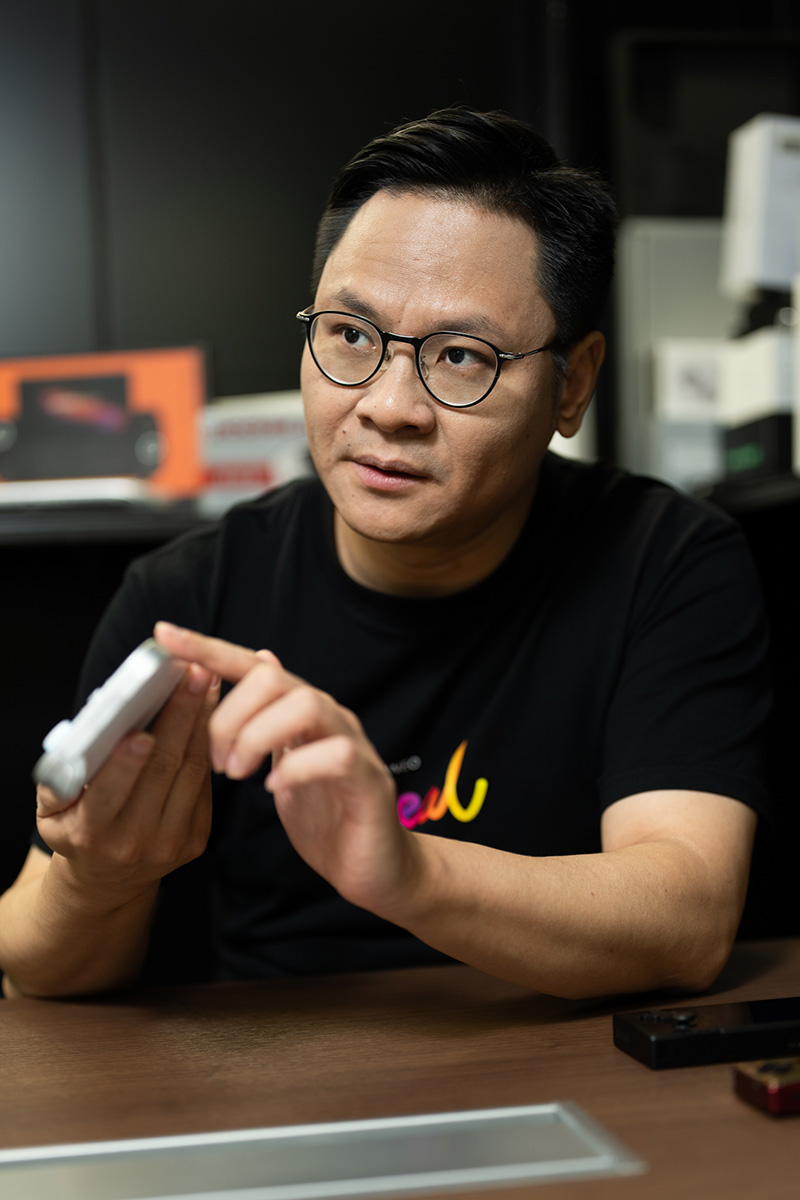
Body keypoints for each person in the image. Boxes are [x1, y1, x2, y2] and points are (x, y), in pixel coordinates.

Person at [0, 106, 770, 1002]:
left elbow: (688, 919)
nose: (389, 406)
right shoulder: (191, 595)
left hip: (569, 1055)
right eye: (351, 336)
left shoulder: (665, 561)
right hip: (271, 1061)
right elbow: (33, 966)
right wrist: (101, 878)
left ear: (575, 385)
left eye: (462, 356)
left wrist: (405, 870)